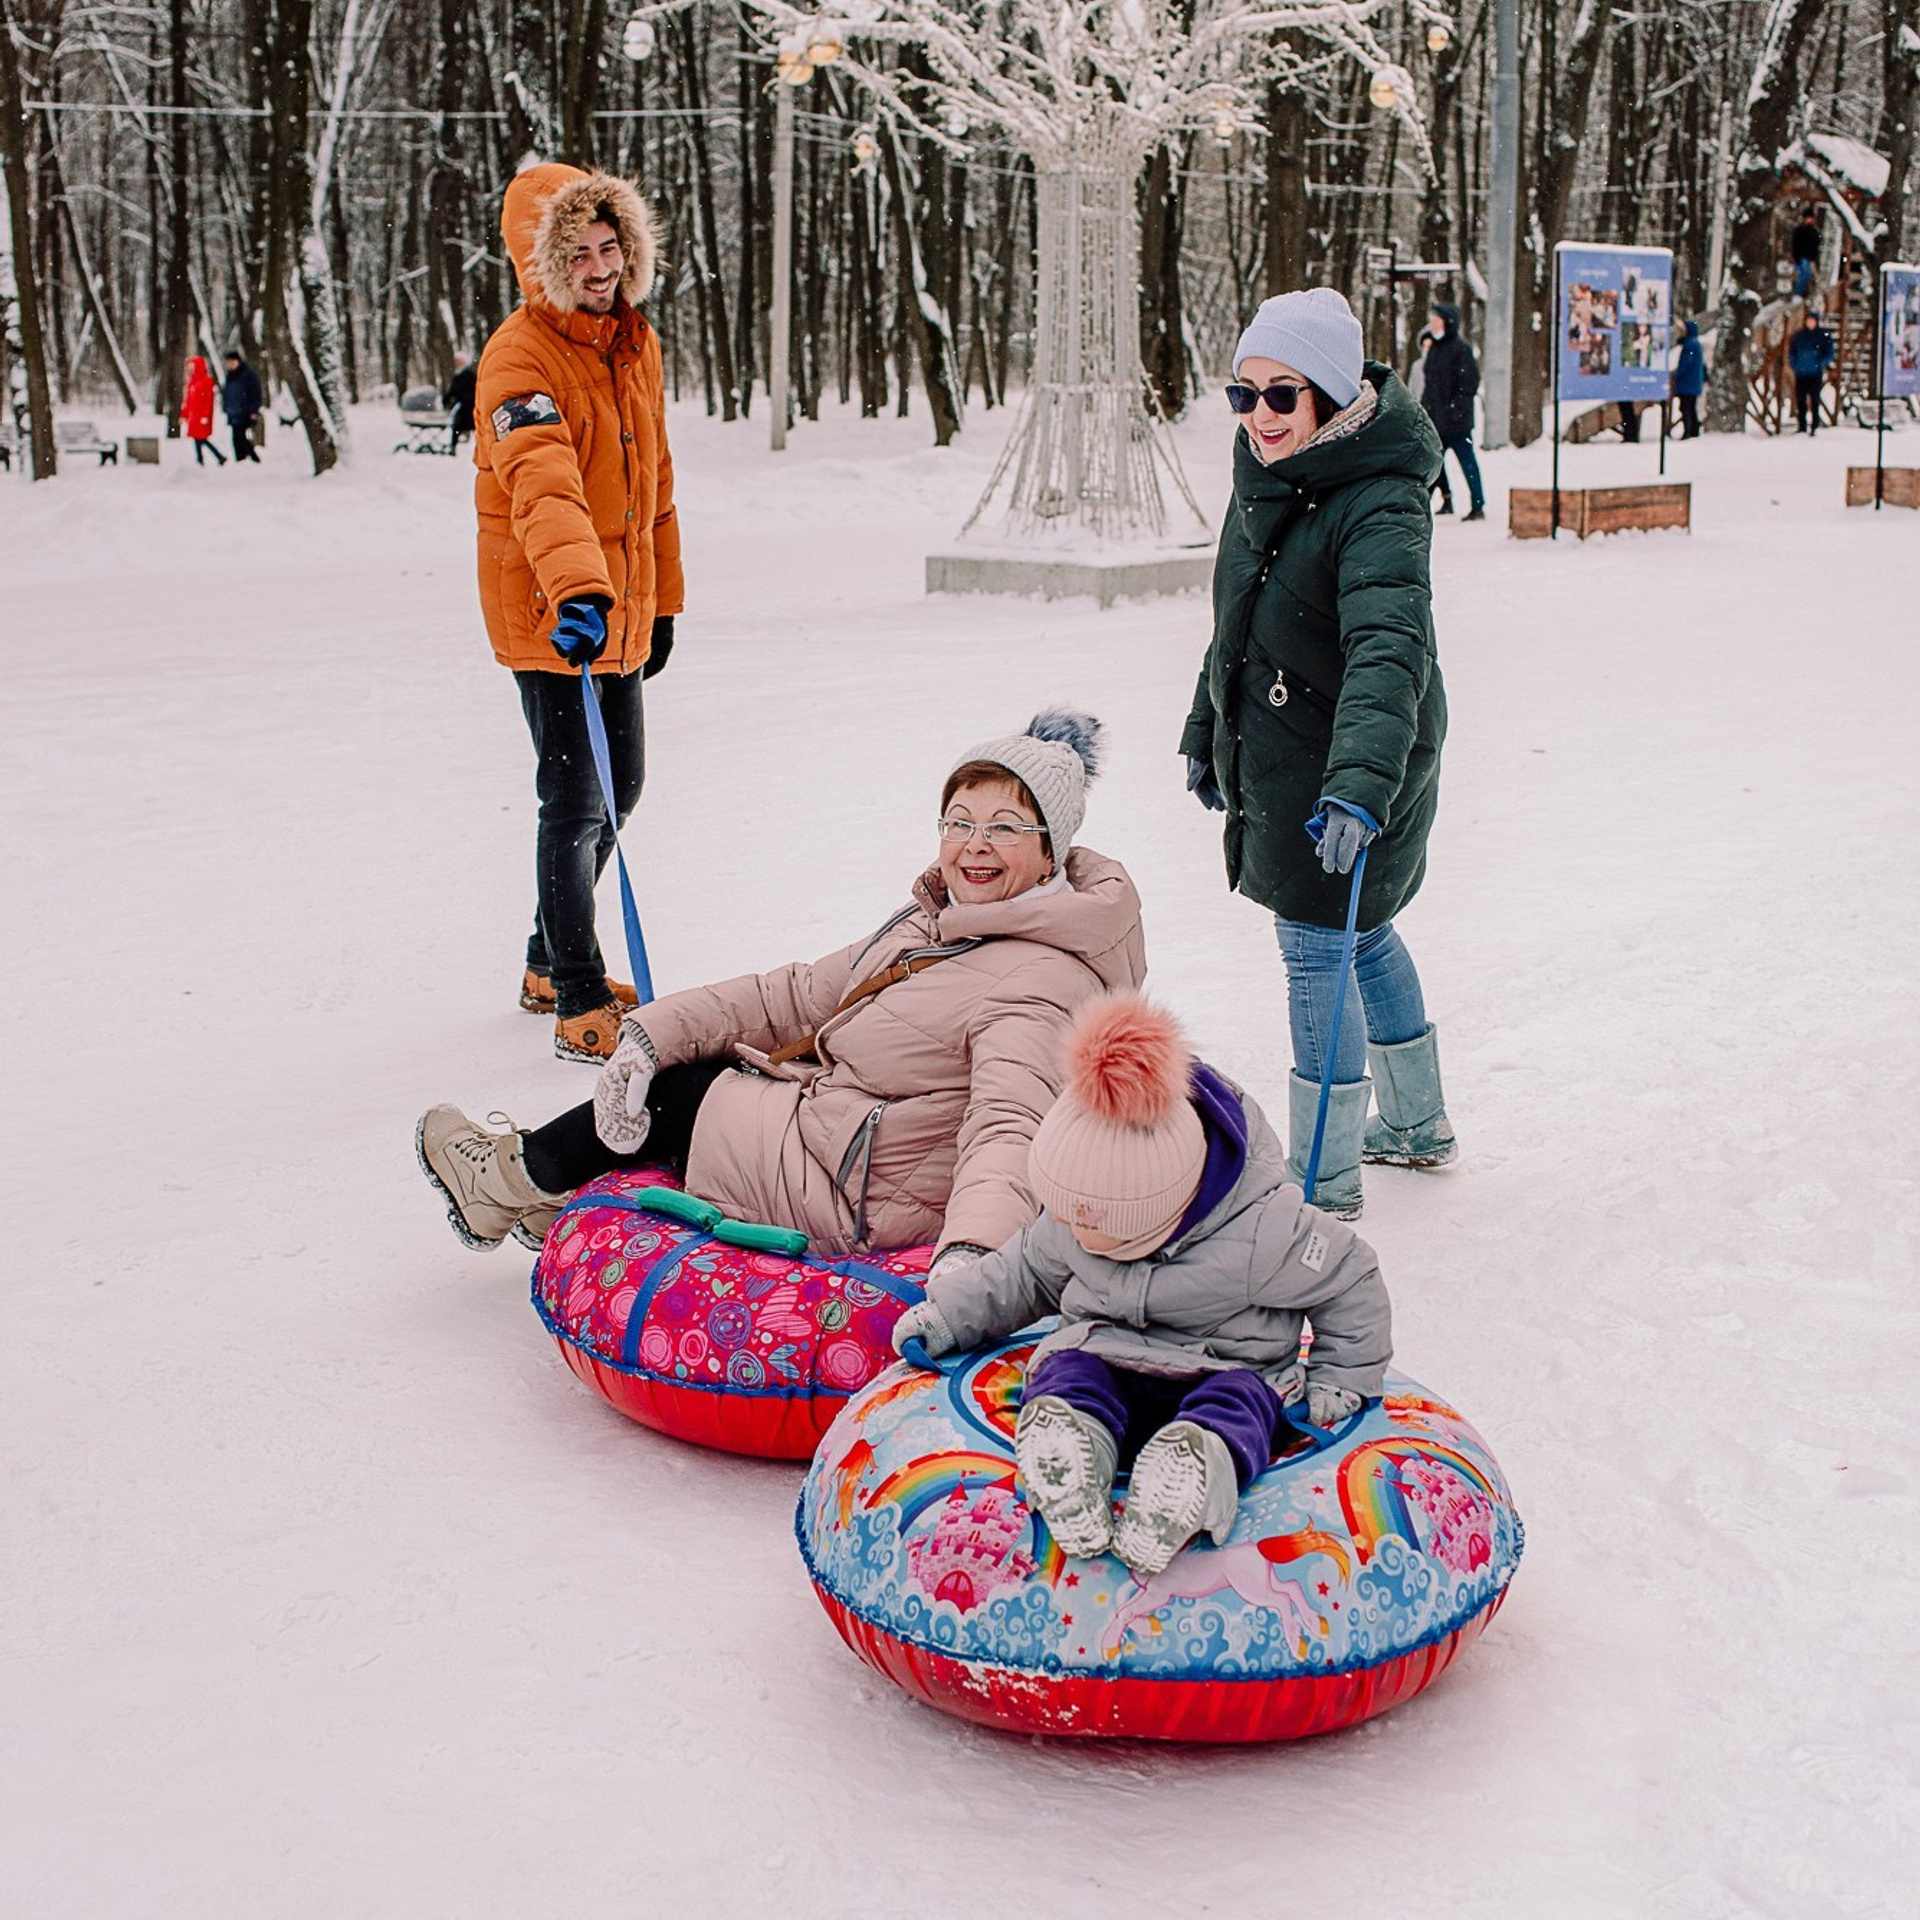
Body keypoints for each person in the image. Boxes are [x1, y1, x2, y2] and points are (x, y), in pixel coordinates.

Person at [417, 711, 1148, 1265]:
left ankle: (509, 1182)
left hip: (866, 1189)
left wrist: (973, 1261)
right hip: (839, 1130)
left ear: (1051, 849)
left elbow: (1008, 1130)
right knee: (685, 1063)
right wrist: (649, 1032)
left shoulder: (1040, 978)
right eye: (959, 821)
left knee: (684, 1095)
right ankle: (552, 1187)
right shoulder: (942, 921)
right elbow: (797, 995)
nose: (974, 843)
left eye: (1005, 827)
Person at [890, 994, 1390, 1577]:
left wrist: (1341, 1378)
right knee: (1069, 1375)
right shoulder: (1077, 1218)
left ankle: (1193, 1470)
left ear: (1164, 1215)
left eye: (1093, 1227)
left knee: (1242, 1408)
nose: (1075, 1233)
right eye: (1067, 1216)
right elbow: (1020, 1272)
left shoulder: (1263, 1228)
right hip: (1104, 1347)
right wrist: (948, 1315)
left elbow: (1350, 1278)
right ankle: (1071, 1450)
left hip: (1226, 1366)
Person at [1181, 287, 1456, 1219]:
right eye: (1242, 394)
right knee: (1359, 931)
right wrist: (1202, 730)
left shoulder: (1379, 501)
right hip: (1288, 743)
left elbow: (1390, 653)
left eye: (1281, 394)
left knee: (1314, 944)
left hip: (1355, 758)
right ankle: (1416, 1126)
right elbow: (1239, 626)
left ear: (1333, 400)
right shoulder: (1266, 477)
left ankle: (1319, 1183)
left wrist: (1358, 791)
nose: (1257, 416)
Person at [474, 163, 684, 1061]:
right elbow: (542, 484)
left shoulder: (634, 343)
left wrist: (660, 600)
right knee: (573, 800)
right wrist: (582, 593)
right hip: (553, 611)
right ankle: (577, 989)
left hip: (619, 609)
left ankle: (541, 958)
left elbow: (656, 486)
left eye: (611, 247)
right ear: (544, 262)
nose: (600, 268)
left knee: (619, 789)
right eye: (580, 253)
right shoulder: (519, 356)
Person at [1417, 302, 1485, 521]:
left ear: (1446, 322)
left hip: (1457, 421)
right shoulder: (1435, 349)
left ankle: (1478, 504)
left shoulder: (1460, 349)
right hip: (1438, 419)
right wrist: (1425, 407)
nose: (1431, 324)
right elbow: (1431, 384)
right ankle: (1445, 499)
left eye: (1435, 320)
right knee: (1434, 461)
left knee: (1467, 461)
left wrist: (1456, 410)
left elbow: (1469, 383)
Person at [1408, 329, 1452, 514]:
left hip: (1437, 417)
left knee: (1434, 457)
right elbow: (1412, 389)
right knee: (1431, 457)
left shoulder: (1442, 366)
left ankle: (1439, 495)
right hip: (1422, 414)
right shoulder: (1417, 366)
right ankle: (1442, 495)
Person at [1788, 308, 1836, 434]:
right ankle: (1802, 425)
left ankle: (1815, 424)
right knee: (1801, 400)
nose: (1810, 323)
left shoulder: (1822, 336)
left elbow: (1829, 352)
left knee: (1814, 399)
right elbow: (1791, 352)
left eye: (1812, 320)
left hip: (1815, 373)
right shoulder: (1799, 336)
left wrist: (1821, 363)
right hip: (1801, 372)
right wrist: (1796, 365)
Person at [180, 356, 224, 466]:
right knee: (197, 437)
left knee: (201, 438)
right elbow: (188, 401)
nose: (190, 370)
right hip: (194, 415)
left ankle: (213, 457)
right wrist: (184, 414)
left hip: (201, 416)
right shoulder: (192, 383)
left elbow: (208, 401)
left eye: (192, 367)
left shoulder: (206, 382)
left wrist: (205, 416)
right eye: (189, 367)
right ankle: (204, 459)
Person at [221, 350, 263, 464]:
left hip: (245, 411)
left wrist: (253, 410)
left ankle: (251, 459)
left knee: (240, 437)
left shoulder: (247, 374)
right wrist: (225, 407)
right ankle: (241, 460)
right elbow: (227, 394)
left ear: (238, 361)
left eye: (232, 362)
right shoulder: (230, 376)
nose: (230, 364)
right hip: (234, 412)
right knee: (236, 438)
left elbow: (256, 393)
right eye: (228, 362)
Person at [1671, 318, 1706, 438]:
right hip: (1693, 382)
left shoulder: (1690, 345)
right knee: (1691, 407)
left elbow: (1686, 364)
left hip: (1687, 383)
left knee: (1685, 408)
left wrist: (1677, 375)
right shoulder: (1695, 344)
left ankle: (1689, 431)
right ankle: (1693, 430)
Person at [442, 350, 477, 454]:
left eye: (458, 360)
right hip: (462, 406)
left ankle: (480, 449)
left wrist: (467, 398)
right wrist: (446, 400)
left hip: (471, 406)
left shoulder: (470, 375)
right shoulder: (457, 375)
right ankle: (453, 447)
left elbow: (474, 390)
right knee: (457, 426)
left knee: (475, 427)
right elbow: (453, 391)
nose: (456, 363)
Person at [1791, 210, 1821, 301]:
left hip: (1807, 257)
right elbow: (1795, 244)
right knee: (1804, 275)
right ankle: (1798, 294)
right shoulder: (1801, 230)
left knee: (1805, 275)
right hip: (1802, 256)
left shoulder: (1812, 230)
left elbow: (1816, 243)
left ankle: (1801, 294)